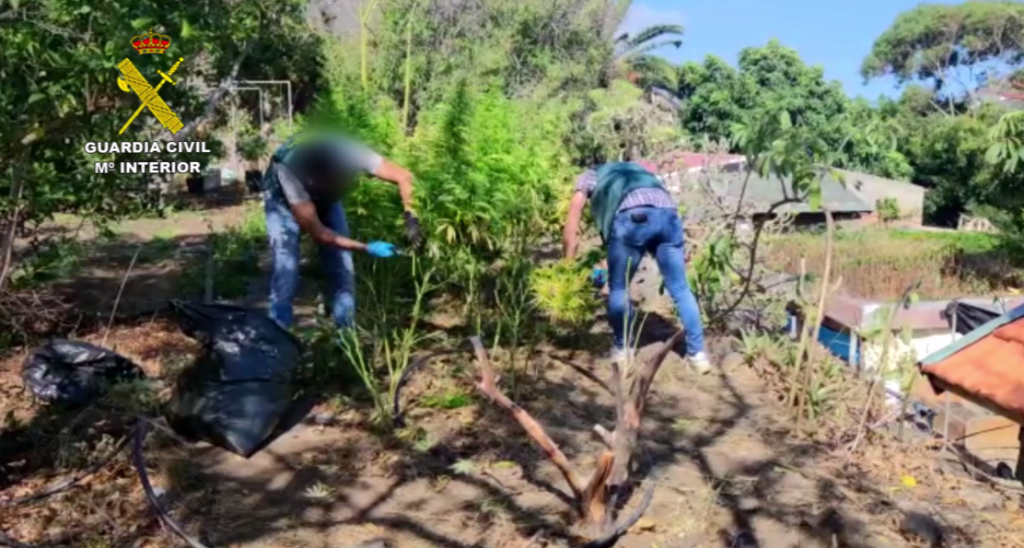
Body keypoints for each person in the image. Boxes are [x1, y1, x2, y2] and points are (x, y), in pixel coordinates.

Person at [259, 130, 422, 330]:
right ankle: (277, 331)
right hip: (282, 204)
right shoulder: (290, 171)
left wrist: (412, 217)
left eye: (342, 177)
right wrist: (367, 247)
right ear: (317, 175)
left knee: (343, 268)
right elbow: (319, 232)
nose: (341, 182)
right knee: (287, 268)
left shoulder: (353, 153)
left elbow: (404, 176)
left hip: (326, 201)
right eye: (331, 179)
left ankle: (345, 336)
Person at [561, 159, 711, 372]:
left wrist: (565, 269)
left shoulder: (588, 176)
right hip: (668, 214)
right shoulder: (637, 171)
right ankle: (698, 355)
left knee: (619, 288)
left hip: (631, 218)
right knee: (680, 287)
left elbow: (571, 227)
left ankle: (623, 352)